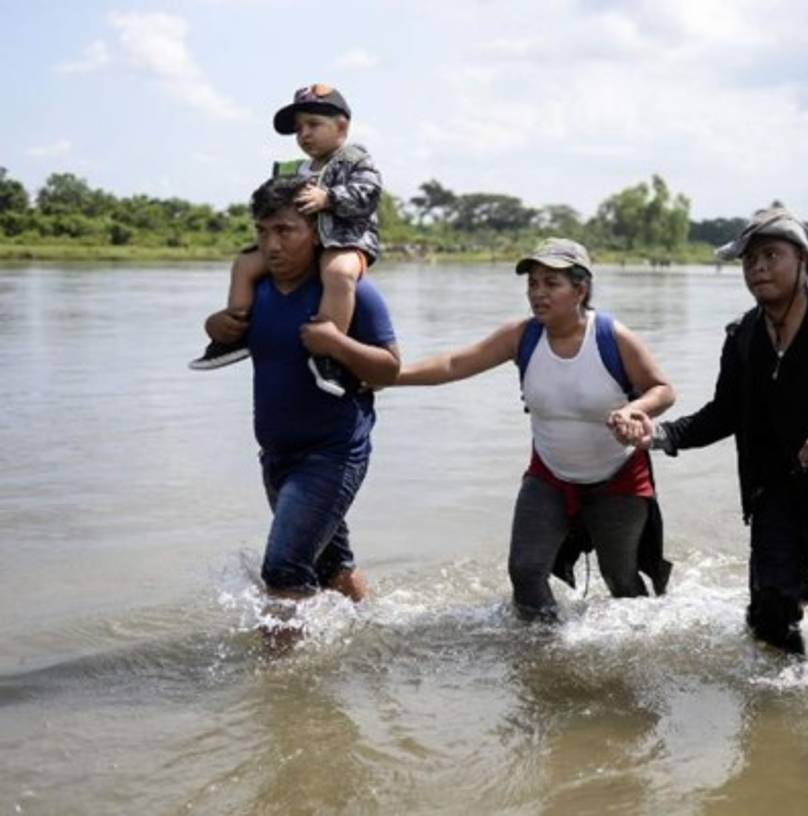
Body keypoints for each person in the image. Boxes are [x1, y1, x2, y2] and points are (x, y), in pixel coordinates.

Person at [628, 207, 808, 659]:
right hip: (780, 491)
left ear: (801, 259)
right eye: (749, 260)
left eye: (770, 255)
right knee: (770, 617)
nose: (757, 268)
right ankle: (779, 710)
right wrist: (657, 436)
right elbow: (724, 413)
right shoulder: (743, 335)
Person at [392, 238, 675, 622]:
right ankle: (543, 655)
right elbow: (454, 364)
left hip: (618, 478)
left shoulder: (611, 337)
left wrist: (633, 410)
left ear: (581, 289)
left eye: (551, 283)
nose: (538, 293)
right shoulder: (522, 337)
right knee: (525, 572)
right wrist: (389, 376)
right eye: (532, 284)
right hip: (549, 477)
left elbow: (663, 389)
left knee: (622, 581)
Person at [198, 176, 400, 608]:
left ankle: (278, 676)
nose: (271, 244)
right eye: (262, 231)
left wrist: (337, 344)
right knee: (332, 569)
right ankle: (374, 637)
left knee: (283, 569)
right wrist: (215, 325)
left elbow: (389, 369)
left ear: (317, 232)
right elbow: (230, 332)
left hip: (333, 453)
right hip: (276, 457)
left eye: (285, 231)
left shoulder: (351, 293)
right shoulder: (258, 293)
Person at [191, 84, 383, 398]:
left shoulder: (355, 161)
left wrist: (330, 197)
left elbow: (369, 194)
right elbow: (271, 205)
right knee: (245, 264)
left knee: (338, 273)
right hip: (299, 244)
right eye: (298, 129)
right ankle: (235, 331)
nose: (304, 134)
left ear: (342, 126)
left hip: (345, 240)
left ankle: (328, 352)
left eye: (313, 125)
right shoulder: (294, 170)